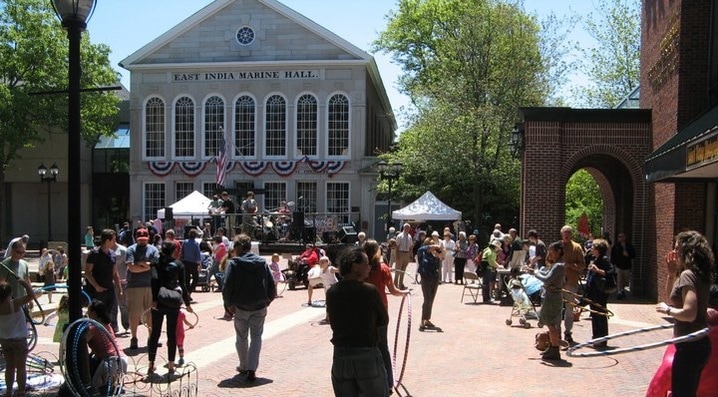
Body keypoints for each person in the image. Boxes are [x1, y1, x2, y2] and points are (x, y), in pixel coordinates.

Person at [655, 230, 713, 396]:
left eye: (677, 248)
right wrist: (671, 274)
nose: (673, 253)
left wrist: (668, 310)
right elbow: (673, 298)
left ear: (687, 251)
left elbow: (689, 313)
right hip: (698, 345)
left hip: (690, 347)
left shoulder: (688, 275)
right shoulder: (698, 275)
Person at [326, 247, 389, 397]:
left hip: (341, 356)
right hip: (366, 355)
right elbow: (383, 320)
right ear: (354, 266)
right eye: (366, 264)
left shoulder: (332, 292)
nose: (370, 267)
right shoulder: (369, 291)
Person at [222, 234, 277, 382]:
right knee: (256, 337)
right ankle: (252, 368)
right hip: (259, 305)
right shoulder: (262, 262)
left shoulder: (233, 264)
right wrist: (268, 301)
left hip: (240, 306)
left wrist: (228, 305)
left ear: (239, 247)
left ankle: (244, 365)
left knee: (241, 337)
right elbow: (272, 285)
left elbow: (226, 286)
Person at [364, 239, 409, 391]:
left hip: (365, 311)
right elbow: (394, 290)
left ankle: (370, 382)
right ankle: (389, 383)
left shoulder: (361, 268)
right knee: (383, 346)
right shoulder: (383, 268)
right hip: (381, 311)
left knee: (367, 345)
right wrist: (405, 293)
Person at [148, 242, 193, 376]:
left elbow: (154, 280)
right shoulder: (178, 264)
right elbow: (183, 285)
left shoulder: (155, 262)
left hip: (159, 300)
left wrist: (154, 299)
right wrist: (187, 303)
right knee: (171, 333)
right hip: (173, 300)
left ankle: (151, 364)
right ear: (174, 251)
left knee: (155, 333)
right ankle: (171, 365)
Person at [0, 279, 40, 397]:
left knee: (9, 366)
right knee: (21, 367)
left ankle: (8, 391)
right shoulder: (14, 304)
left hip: (5, 340)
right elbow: (31, 295)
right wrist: (25, 284)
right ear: (10, 294)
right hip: (19, 340)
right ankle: (21, 391)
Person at [527, 240, 565, 361]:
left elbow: (547, 279)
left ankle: (555, 349)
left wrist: (536, 272)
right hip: (550, 296)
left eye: (552, 252)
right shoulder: (555, 265)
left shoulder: (559, 265)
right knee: (550, 324)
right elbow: (545, 273)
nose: (550, 255)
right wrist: (533, 271)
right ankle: (552, 348)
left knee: (551, 324)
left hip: (553, 298)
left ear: (558, 252)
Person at [84, 229, 123, 334]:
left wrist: (119, 289)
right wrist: (96, 286)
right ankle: (95, 337)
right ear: (107, 241)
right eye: (113, 240)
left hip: (110, 289)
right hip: (97, 291)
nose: (115, 242)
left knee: (109, 315)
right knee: (96, 315)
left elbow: (115, 273)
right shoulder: (94, 253)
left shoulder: (112, 254)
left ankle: (108, 336)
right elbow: (87, 272)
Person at [125, 228, 158, 350]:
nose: (142, 242)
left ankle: (151, 337)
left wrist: (141, 264)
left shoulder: (153, 249)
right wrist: (147, 266)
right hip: (134, 285)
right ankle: (134, 337)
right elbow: (132, 268)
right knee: (134, 313)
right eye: (140, 239)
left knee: (151, 314)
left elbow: (156, 265)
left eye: (144, 239)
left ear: (148, 238)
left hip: (150, 285)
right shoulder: (131, 249)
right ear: (136, 238)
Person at [85, 299, 127, 392]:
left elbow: (82, 343)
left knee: (95, 389)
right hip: (121, 359)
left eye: (89, 311)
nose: (87, 313)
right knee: (112, 391)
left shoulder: (93, 328)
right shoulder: (107, 325)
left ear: (94, 313)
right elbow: (103, 344)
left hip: (110, 362)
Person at [584, 238, 614, 347]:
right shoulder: (595, 259)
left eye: (593, 247)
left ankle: (602, 339)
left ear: (598, 249)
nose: (591, 249)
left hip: (600, 292)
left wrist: (597, 270)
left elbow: (611, 272)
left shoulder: (604, 259)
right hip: (593, 291)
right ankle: (596, 337)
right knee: (595, 315)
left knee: (600, 315)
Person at [560, 225, 586, 344]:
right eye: (564, 232)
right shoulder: (556, 246)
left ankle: (568, 333)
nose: (566, 235)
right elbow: (548, 262)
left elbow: (582, 266)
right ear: (561, 234)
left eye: (568, 233)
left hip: (571, 282)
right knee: (557, 309)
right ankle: (556, 333)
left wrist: (570, 265)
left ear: (571, 235)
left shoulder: (577, 247)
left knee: (569, 309)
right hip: (558, 283)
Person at [417, 237, 441, 330]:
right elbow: (423, 249)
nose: (433, 247)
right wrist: (434, 246)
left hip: (434, 278)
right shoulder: (421, 252)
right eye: (431, 244)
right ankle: (422, 320)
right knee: (427, 299)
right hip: (426, 278)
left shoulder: (433, 255)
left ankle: (427, 319)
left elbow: (441, 258)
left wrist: (438, 254)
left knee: (431, 299)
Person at [611, 232, 636, 300]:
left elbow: (633, 255)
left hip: (627, 266)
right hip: (618, 266)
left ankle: (622, 290)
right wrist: (613, 264)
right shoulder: (615, 247)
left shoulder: (629, 246)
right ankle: (619, 292)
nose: (620, 238)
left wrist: (627, 255)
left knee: (626, 280)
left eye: (622, 236)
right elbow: (612, 256)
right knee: (619, 280)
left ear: (625, 237)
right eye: (619, 237)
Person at [180, 229, 202, 301]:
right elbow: (198, 254)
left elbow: (182, 252)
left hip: (185, 262)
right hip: (193, 263)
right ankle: (189, 292)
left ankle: (187, 294)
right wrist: (199, 263)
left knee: (187, 279)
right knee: (195, 279)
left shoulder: (185, 242)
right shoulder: (196, 244)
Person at [394, 223, 413, 289]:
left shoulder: (409, 236)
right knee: (398, 270)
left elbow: (411, 247)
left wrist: (411, 255)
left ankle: (401, 284)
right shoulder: (399, 236)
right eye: (406, 228)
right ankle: (395, 285)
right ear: (404, 228)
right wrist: (397, 256)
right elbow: (397, 246)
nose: (408, 229)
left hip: (407, 254)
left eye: (409, 228)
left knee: (403, 270)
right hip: (400, 253)